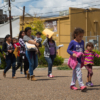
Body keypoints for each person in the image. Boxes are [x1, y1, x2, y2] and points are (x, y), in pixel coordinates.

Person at [67, 28, 87, 92]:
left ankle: (72, 85)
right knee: (79, 72)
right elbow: (68, 50)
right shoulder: (72, 42)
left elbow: (82, 49)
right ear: (75, 35)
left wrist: (84, 52)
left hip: (79, 60)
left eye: (82, 36)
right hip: (74, 60)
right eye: (80, 36)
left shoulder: (82, 42)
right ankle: (81, 85)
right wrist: (72, 54)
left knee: (75, 73)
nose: (81, 38)